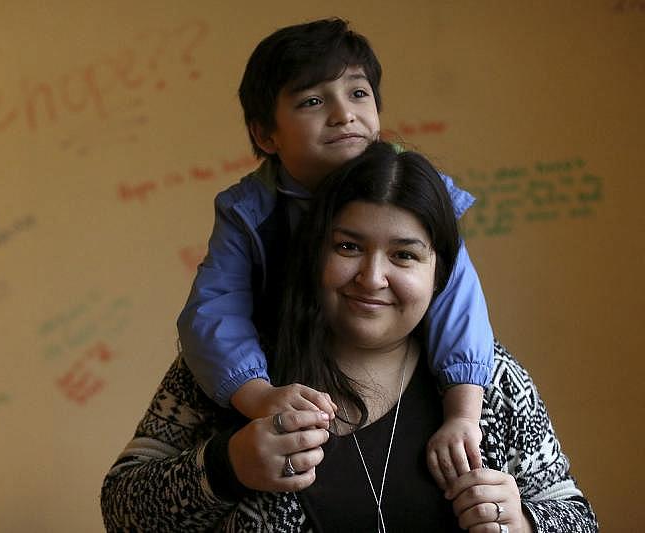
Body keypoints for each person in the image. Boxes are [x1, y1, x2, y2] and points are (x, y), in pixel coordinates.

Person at [101, 142, 598, 532]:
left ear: (439, 271)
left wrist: (526, 521)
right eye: (348, 246)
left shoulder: (493, 381)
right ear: (314, 252)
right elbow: (122, 510)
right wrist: (227, 465)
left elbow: (575, 516)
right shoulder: (234, 368)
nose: (372, 277)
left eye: (404, 255)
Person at [176, 17, 493, 489]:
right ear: (266, 136)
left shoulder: (417, 193)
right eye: (312, 100)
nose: (344, 114)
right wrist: (260, 398)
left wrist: (463, 413)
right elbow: (211, 312)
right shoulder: (250, 212)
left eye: (358, 93)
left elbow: (458, 302)